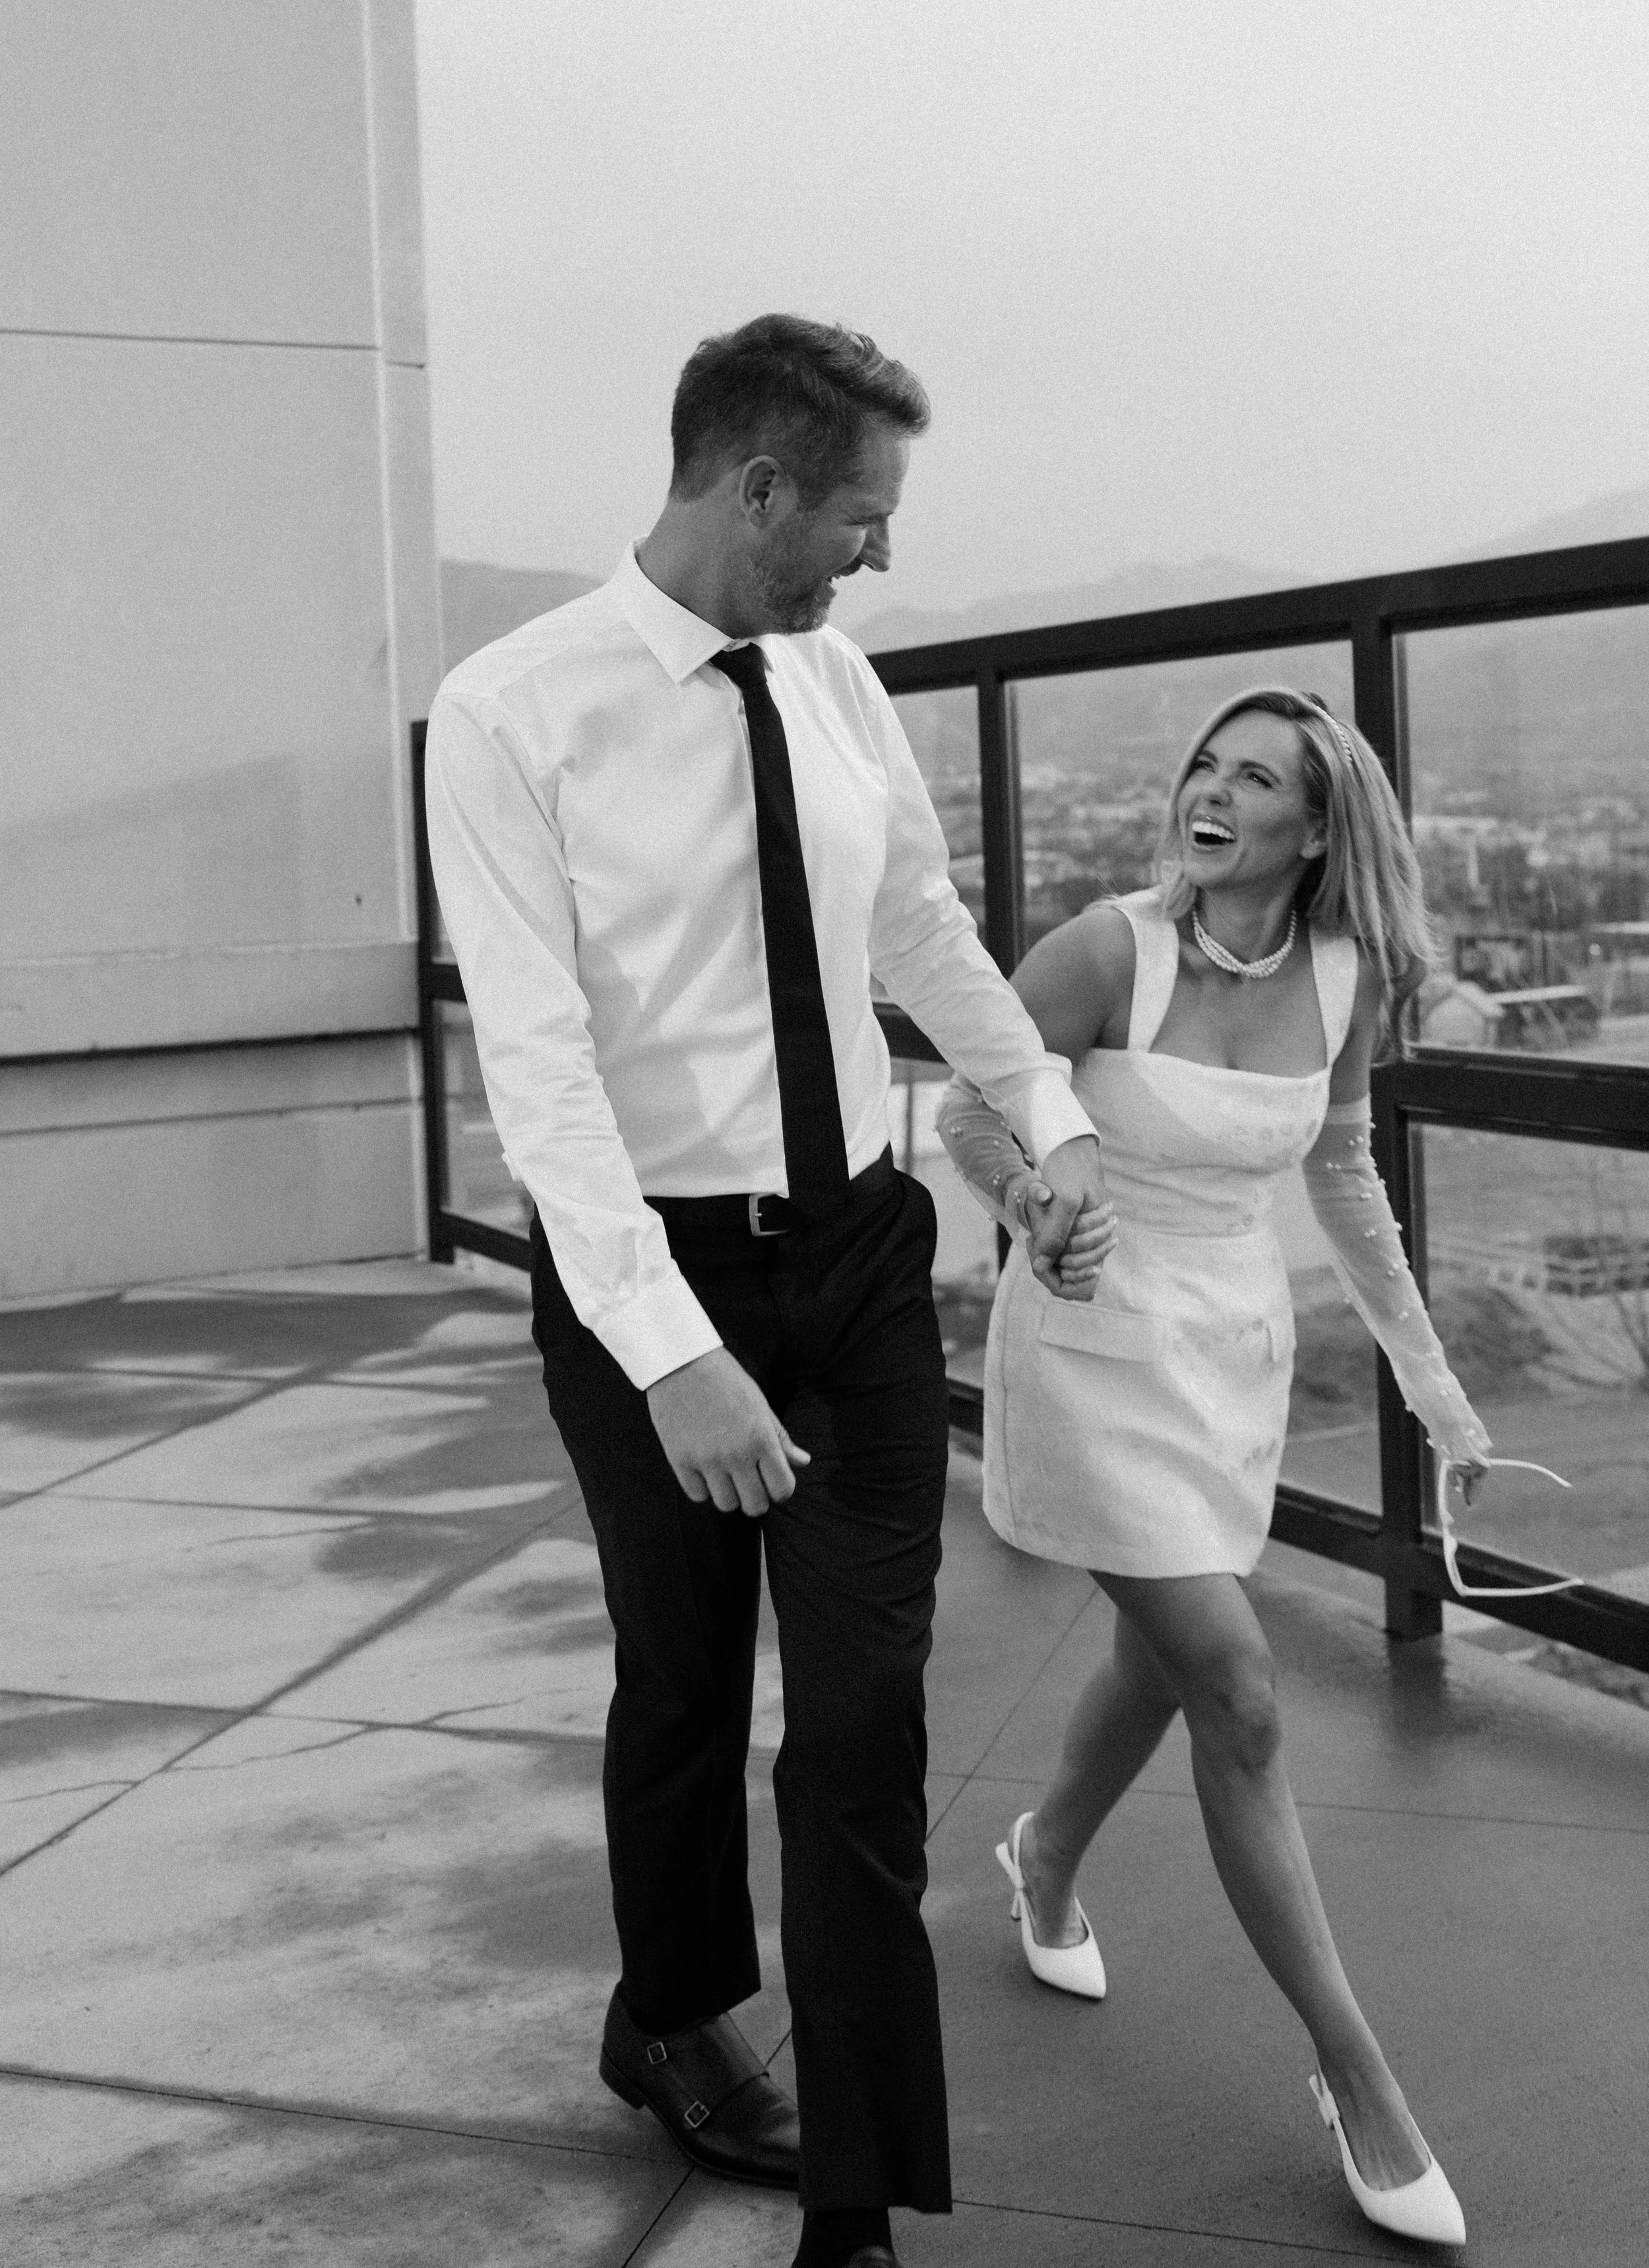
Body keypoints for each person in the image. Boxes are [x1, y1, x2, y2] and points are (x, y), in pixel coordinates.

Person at [424, 314, 1104, 2268]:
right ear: (756, 489)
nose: (874, 562)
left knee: (863, 1721)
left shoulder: (837, 679)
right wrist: (672, 1352)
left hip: (863, 1251)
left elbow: (918, 923)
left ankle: (855, 2205)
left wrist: (1041, 1109)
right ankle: (669, 2009)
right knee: (682, 1674)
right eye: (859, 520)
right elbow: (537, 1071)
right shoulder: (509, 712)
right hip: (653, 1264)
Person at [937, 688, 1491, 2249]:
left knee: (1161, 1653)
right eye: (1203, 763)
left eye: (1255, 778)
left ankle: (1043, 1851)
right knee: (1238, 1689)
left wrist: (1437, 1394)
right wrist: (1033, 1200)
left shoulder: (1348, 978)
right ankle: (1355, 2076)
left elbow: (1339, 1171)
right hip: (1091, 1348)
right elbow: (971, 1110)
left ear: (1315, 828)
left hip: (1225, 1361)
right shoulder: (1104, 950)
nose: (1211, 790)